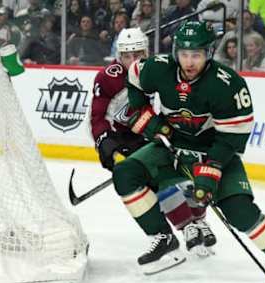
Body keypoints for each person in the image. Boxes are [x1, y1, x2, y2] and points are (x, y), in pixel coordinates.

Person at [113, 21, 265, 283]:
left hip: (213, 152)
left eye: (196, 55)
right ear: (175, 52)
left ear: (208, 53)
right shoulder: (159, 68)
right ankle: (163, 236)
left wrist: (210, 173)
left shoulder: (227, 84)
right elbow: (135, 77)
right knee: (126, 173)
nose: (189, 62)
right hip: (172, 148)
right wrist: (144, 115)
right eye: (184, 54)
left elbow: (229, 140)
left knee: (241, 212)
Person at [90, 27, 217, 259]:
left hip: (159, 132)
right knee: (156, 183)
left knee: (190, 175)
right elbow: (98, 119)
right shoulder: (108, 77)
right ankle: (186, 226)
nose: (132, 61)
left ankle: (197, 222)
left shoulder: (163, 70)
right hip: (124, 140)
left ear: (146, 52)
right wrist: (108, 147)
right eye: (126, 56)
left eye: (137, 55)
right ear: (119, 56)